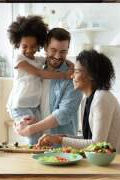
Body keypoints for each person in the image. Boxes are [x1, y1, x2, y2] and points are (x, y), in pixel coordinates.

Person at [37, 49, 120, 155]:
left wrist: (59, 140)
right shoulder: (86, 100)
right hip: (105, 163)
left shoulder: (102, 97)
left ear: (91, 75)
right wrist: (61, 137)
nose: (72, 76)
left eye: (76, 71)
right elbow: (88, 139)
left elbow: (97, 144)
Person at [6, 16, 73, 145]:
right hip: (20, 105)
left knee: (36, 134)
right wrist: (64, 75)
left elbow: (52, 59)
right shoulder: (20, 60)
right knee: (32, 136)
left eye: (33, 46)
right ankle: (32, 156)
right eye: (24, 46)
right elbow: (39, 73)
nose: (29, 50)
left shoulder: (38, 60)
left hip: (33, 106)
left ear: (39, 45)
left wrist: (72, 65)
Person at [15, 28, 82, 142]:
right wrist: (19, 121)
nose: (57, 56)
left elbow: (64, 114)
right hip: (38, 143)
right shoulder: (36, 69)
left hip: (62, 146)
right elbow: (22, 99)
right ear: (45, 47)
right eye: (53, 50)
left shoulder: (73, 77)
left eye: (63, 52)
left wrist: (31, 129)